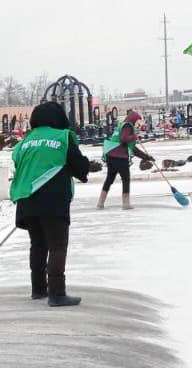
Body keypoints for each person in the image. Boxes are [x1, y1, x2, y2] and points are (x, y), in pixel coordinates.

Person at [10, 101, 90, 307]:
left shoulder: (24, 142)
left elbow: (20, 164)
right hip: (53, 201)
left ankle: (38, 289)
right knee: (57, 246)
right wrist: (84, 166)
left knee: (37, 244)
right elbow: (79, 168)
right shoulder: (62, 137)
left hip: (26, 200)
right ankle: (57, 293)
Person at [98, 111, 153, 210]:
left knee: (109, 179)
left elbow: (133, 149)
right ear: (134, 119)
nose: (138, 124)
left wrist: (146, 157)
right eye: (138, 121)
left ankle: (100, 203)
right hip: (119, 157)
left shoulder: (121, 126)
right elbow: (124, 139)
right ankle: (126, 204)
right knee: (126, 179)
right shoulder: (128, 126)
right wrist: (134, 136)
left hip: (111, 155)